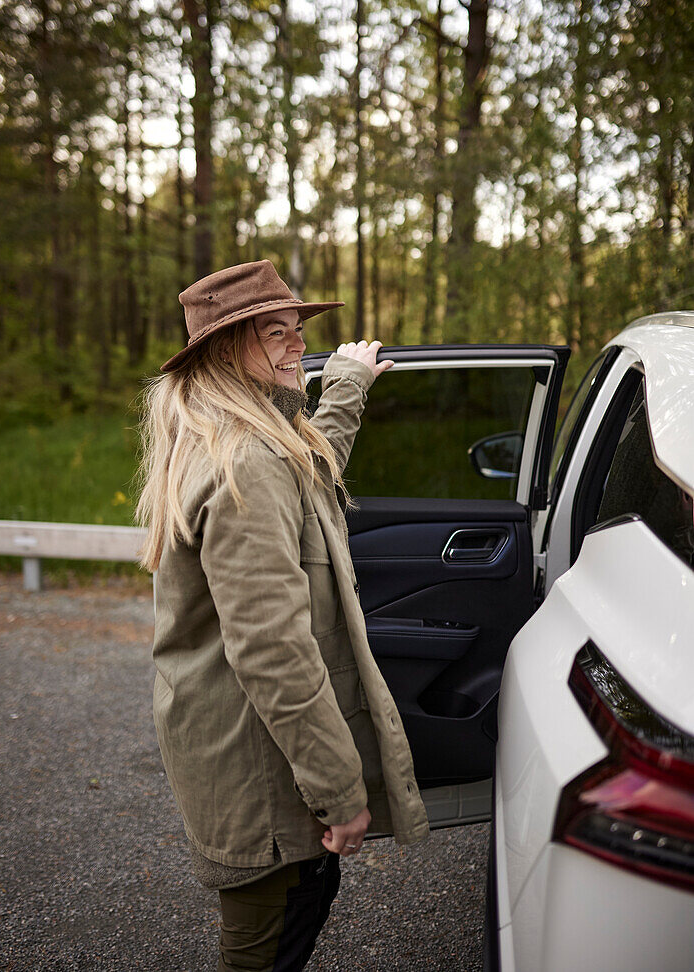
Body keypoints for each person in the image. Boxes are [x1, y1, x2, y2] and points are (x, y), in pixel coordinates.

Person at [136, 260, 428, 971]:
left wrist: (347, 386)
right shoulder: (248, 463)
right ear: (225, 348)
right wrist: (339, 793)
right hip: (257, 769)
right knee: (263, 948)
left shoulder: (233, 438)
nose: (299, 345)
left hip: (235, 745)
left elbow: (310, 475)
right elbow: (272, 652)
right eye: (276, 333)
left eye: (298, 330)